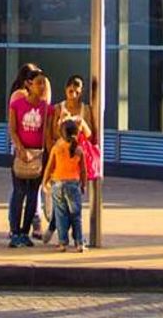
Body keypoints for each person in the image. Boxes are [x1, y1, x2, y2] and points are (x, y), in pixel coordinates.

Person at [42, 73, 98, 241]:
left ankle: (71, 236)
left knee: (72, 205)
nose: (73, 94)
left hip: (76, 160)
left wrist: (81, 123)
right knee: (61, 203)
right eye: (70, 90)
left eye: (76, 91)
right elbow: (51, 134)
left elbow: (91, 136)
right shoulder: (59, 109)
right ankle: (59, 232)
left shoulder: (85, 110)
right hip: (61, 161)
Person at [8, 63, 52, 239]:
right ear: (28, 84)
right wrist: (20, 148)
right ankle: (15, 231)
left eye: (44, 83)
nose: (42, 87)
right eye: (38, 83)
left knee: (33, 194)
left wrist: (49, 157)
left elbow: (48, 133)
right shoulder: (17, 103)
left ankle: (25, 232)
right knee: (19, 192)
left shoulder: (47, 108)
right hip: (21, 154)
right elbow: (13, 128)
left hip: (38, 155)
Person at [41, 117, 87, 252]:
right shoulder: (79, 150)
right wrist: (83, 184)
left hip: (58, 184)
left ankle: (62, 243)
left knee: (61, 215)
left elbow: (50, 167)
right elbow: (83, 170)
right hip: (73, 184)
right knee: (76, 215)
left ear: (61, 133)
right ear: (77, 133)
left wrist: (45, 181)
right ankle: (79, 242)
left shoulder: (57, 148)